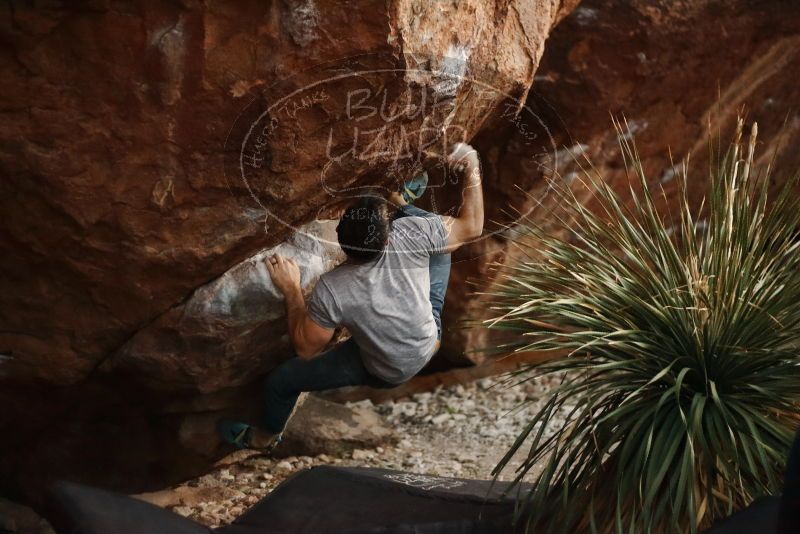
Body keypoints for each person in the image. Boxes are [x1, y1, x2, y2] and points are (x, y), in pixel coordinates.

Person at [218, 143, 483, 450]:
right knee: (440, 238)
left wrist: (291, 289)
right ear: (387, 239)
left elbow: (305, 348)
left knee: (282, 382)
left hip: (393, 358)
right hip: (416, 348)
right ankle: (398, 202)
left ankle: (265, 435)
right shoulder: (409, 234)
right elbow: (472, 227)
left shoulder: (333, 288)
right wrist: (472, 165)